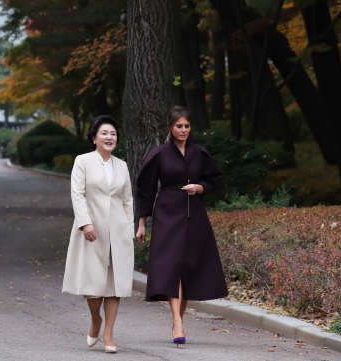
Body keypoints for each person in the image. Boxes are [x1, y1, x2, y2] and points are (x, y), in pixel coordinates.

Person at [135, 105, 228, 346]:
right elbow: (145, 189)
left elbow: (215, 179)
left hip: (194, 215)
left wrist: (200, 188)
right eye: (179, 126)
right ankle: (177, 320)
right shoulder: (159, 154)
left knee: (188, 268)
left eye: (187, 126)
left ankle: (178, 320)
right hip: (167, 214)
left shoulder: (200, 152)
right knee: (172, 266)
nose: (183, 130)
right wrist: (142, 223)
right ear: (170, 127)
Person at [62, 115, 134, 354]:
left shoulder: (121, 165)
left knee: (115, 286)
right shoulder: (82, 161)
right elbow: (77, 194)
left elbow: (127, 201)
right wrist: (85, 223)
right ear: (94, 138)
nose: (109, 137)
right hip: (91, 231)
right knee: (93, 284)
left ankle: (108, 334)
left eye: (113, 134)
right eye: (104, 133)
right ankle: (96, 320)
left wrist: (129, 230)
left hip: (118, 233)